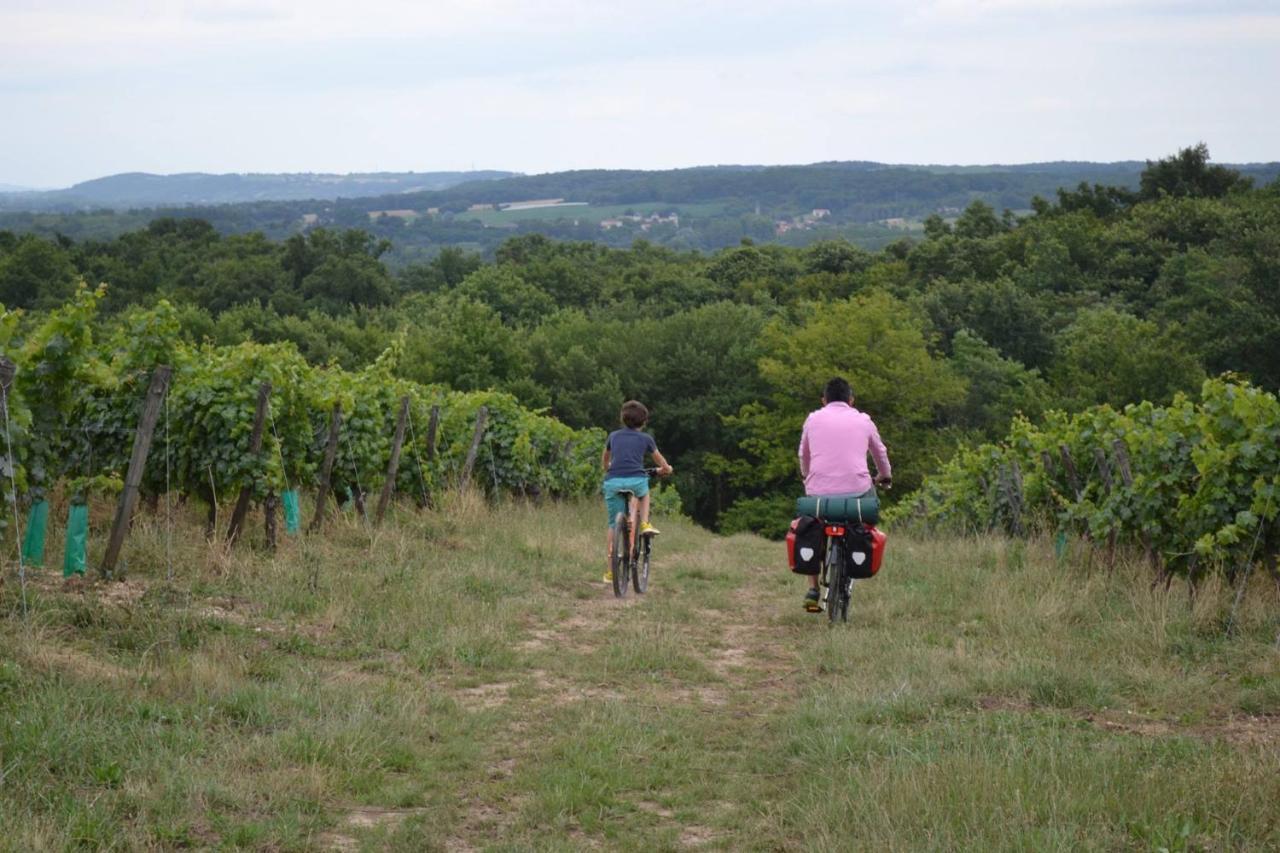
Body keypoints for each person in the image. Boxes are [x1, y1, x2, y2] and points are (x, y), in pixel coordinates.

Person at [797, 377, 891, 612]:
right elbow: (880, 453)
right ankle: (853, 559)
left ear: (823, 400)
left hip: (819, 493)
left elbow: (803, 455)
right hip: (858, 492)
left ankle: (813, 588)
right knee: (863, 519)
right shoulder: (863, 420)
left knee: (812, 526)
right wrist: (884, 476)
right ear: (851, 400)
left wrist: (807, 476)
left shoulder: (813, 419)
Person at [602, 400, 673, 583]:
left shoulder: (613, 436)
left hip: (613, 482)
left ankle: (610, 572)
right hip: (636, 480)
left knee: (612, 524)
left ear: (623, 418)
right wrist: (666, 469)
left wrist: (607, 467)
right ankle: (645, 524)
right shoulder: (646, 439)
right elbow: (659, 460)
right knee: (644, 493)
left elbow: (606, 457)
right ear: (644, 422)